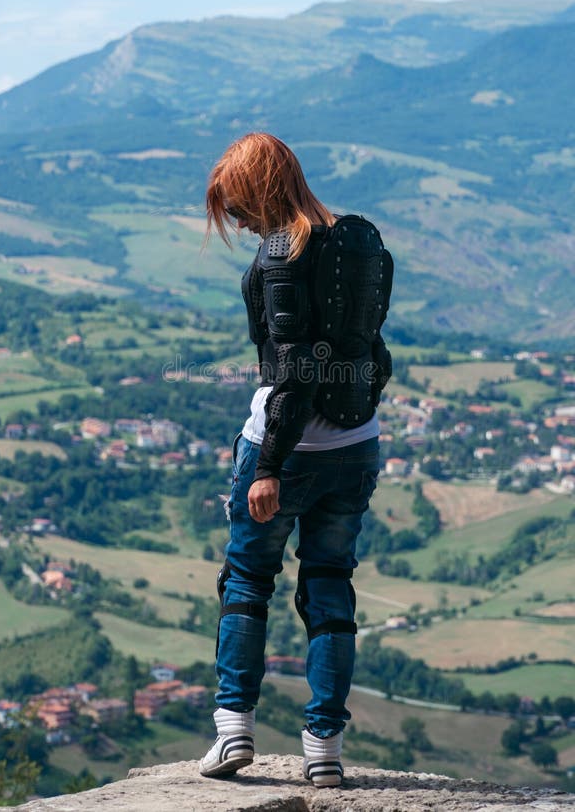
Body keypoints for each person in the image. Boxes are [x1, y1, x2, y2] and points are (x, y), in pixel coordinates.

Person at [199, 133, 393, 788]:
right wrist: (355, 420)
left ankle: (233, 733)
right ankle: (324, 751)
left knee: (248, 580)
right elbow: (374, 355)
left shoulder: (284, 252)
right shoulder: (357, 242)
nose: (240, 222)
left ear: (258, 191)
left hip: (287, 449)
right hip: (356, 444)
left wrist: (269, 468)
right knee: (330, 584)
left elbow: (293, 371)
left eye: (238, 206)